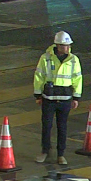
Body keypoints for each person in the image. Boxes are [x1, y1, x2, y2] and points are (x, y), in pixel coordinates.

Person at [33, 31, 82, 165]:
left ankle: (61, 154)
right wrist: (37, 95)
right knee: (47, 126)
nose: (66, 48)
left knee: (62, 127)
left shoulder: (73, 60)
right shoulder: (46, 58)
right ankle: (45, 151)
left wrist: (76, 97)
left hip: (65, 99)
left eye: (68, 45)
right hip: (49, 98)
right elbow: (39, 76)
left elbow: (77, 79)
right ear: (57, 45)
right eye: (63, 46)